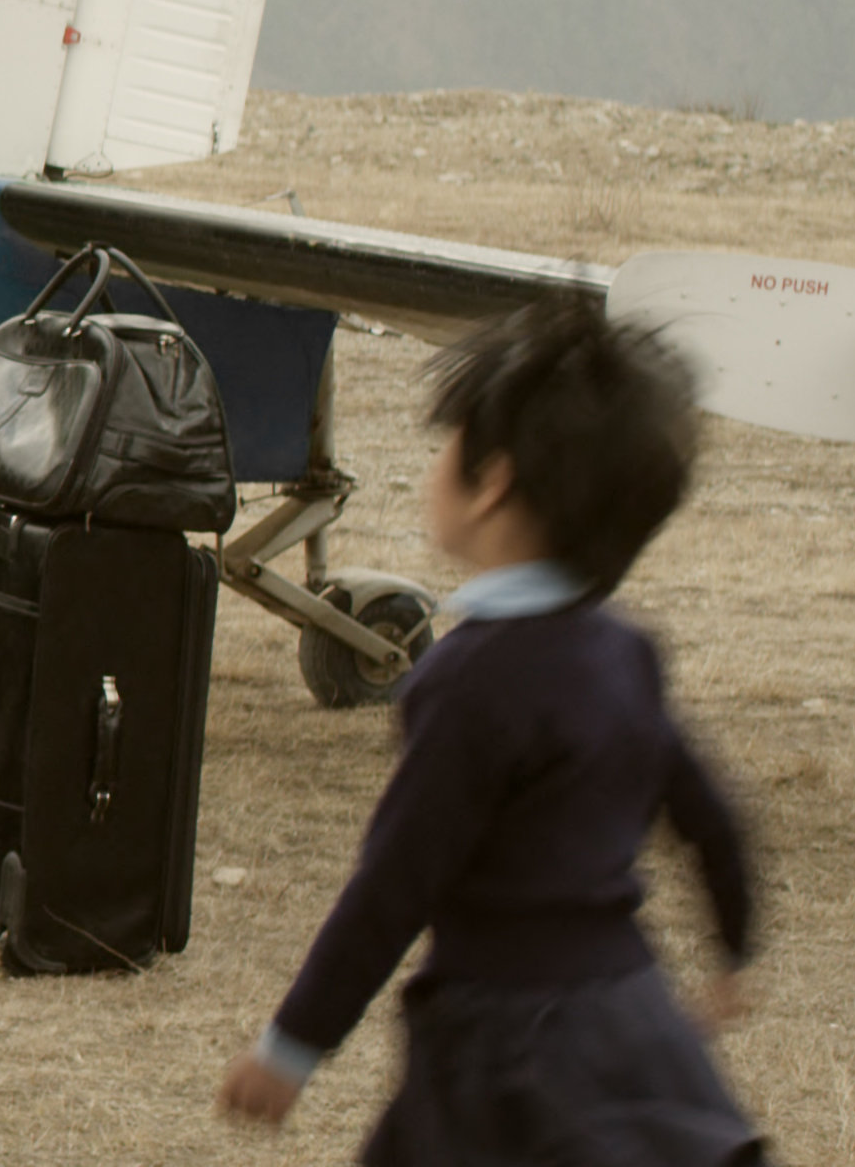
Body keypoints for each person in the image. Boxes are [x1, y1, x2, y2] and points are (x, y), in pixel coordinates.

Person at [216, 297, 764, 1164]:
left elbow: (395, 884)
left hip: (507, 1039)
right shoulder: (626, 650)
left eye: (448, 446)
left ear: (495, 481)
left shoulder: (468, 682)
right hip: (629, 1012)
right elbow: (709, 812)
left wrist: (292, 1044)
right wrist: (734, 943)